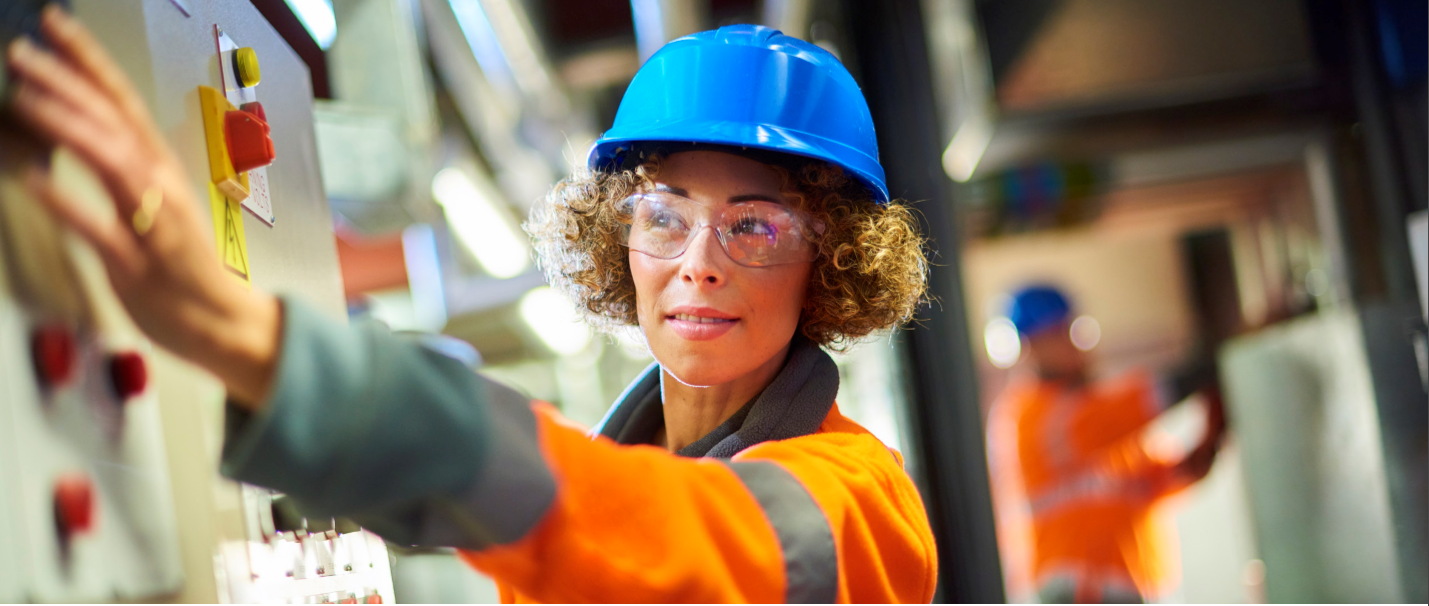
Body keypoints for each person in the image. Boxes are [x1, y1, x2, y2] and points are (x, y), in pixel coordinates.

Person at [5, 7, 937, 603]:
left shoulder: (862, 501)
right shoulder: (623, 463)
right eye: (663, 215)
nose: (697, 264)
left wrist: (246, 337)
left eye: (757, 227)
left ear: (832, 263)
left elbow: (669, 535)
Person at [985, 285, 1225, 604]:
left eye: (1074, 331)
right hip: (1080, 589)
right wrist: (1219, 360)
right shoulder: (1030, 416)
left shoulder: (1094, 423)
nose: (1076, 345)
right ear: (1028, 349)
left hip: (1123, 588)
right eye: (1061, 333)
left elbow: (1160, 478)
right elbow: (1151, 397)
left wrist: (1214, 432)